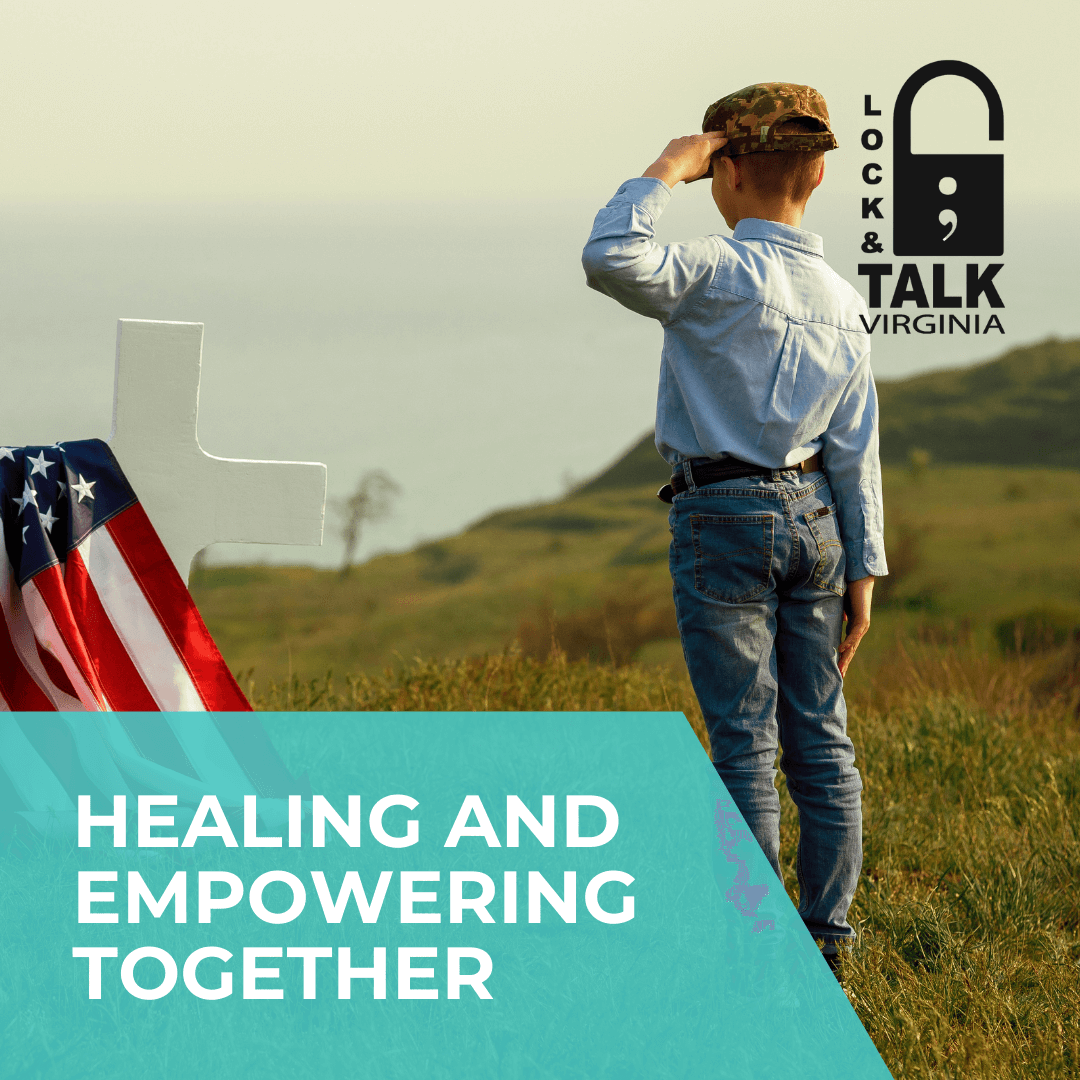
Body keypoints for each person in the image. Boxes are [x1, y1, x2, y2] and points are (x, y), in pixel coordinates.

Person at [581, 83, 888, 970]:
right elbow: (855, 446)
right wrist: (862, 569)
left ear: (728, 170)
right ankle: (828, 943)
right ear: (820, 173)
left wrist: (663, 170)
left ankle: (755, 960)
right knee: (822, 739)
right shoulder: (842, 299)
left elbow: (610, 257)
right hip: (818, 524)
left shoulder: (715, 271)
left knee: (744, 742)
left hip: (721, 515)